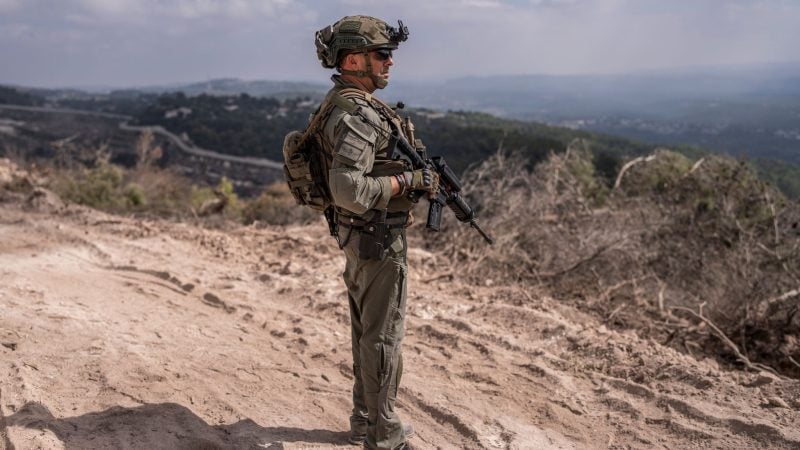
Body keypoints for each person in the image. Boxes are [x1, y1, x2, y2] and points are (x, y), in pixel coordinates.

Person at [311, 15, 438, 450]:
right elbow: (347, 189)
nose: (389, 63)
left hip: (361, 236)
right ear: (352, 60)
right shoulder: (357, 114)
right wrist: (408, 183)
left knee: (368, 333)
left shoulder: (343, 103)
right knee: (383, 337)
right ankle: (384, 436)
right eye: (381, 54)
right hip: (377, 238)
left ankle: (366, 422)